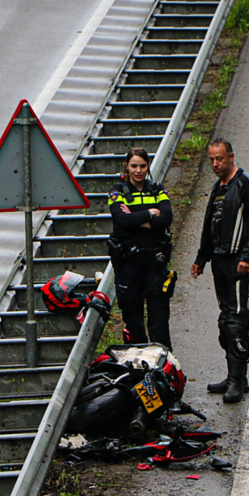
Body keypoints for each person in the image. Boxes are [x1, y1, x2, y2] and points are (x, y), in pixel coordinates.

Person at [190, 138, 249, 403]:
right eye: (212, 159)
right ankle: (235, 375)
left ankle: (237, 381)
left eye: (220, 159)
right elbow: (210, 225)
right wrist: (201, 259)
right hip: (220, 263)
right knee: (225, 321)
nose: (215, 164)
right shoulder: (218, 188)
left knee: (237, 321)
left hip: (241, 265)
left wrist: (248, 256)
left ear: (231, 157)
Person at [107, 147, 175, 349]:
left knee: (159, 318)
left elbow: (167, 218)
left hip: (154, 261)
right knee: (132, 317)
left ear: (148, 167)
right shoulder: (117, 191)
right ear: (127, 167)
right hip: (128, 263)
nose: (138, 170)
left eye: (142, 166)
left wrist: (136, 218)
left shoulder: (157, 189)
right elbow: (121, 220)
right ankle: (138, 362)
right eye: (134, 166)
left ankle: (163, 364)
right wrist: (149, 213)